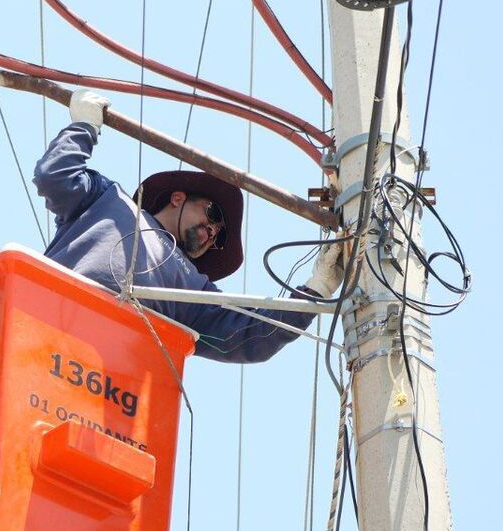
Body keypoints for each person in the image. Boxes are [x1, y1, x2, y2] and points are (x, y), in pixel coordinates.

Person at [33, 89, 345, 364]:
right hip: (45, 331)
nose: (212, 230)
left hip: (114, 383)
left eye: (219, 234)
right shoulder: (107, 200)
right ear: (178, 198)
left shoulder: (193, 288)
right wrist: (83, 126)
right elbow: (55, 176)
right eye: (211, 213)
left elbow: (250, 335)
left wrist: (317, 288)